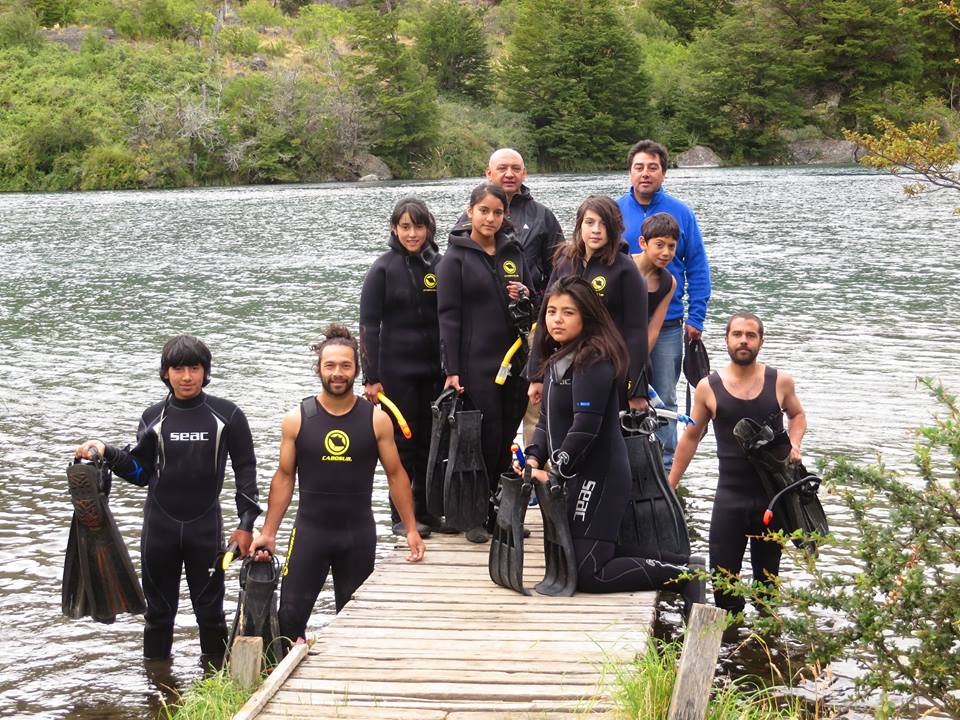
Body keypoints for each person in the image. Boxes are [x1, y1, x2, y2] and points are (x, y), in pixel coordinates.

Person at [74, 335, 260, 661]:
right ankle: (157, 694)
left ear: (205, 372)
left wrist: (245, 525)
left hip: (205, 529)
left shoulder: (227, 415)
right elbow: (141, 473)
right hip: (160, 530)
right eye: (178, 369)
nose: (186, 376)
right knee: (158, 617)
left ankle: (214, 689)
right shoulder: (154, 417)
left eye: (194, 368)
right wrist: (106, 451)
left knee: (211, 617)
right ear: (165, 373)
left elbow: (246, 472)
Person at [522, 277, 703, 607]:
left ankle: (684, 578)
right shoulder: (558, 359)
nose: (556, 320)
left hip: (599, 474)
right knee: (586, 555)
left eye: (567, 313)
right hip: (577, 471)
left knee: (590, 571)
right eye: (551, 312)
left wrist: (557, 468)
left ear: (586, 317)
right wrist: (533, 457)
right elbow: (547, 420)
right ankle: (683, 565)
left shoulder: (593, 359)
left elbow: (586, 426)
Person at [250, 325, 425, 643]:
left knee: (354, 625)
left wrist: (411, 528)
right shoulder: (297, 419)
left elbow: (396, 474)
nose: (337, 373)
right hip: (309, 534)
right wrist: (268, 533)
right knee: (288, 620)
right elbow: (284, 477)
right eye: (330, 365)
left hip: (357, 536)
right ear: (318, 368)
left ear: (357, 370)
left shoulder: (376, 419)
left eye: (345, 365)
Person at [668, 313, 806, 613]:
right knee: (723, 587)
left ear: (761, 342)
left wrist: (795, 444)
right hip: (730, 499)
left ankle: (766, 644)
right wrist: (670, 485)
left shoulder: (780, 381)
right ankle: (733, 648)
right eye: (737, 334)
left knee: (766, 592)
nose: (744, 340)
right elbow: (692, 436)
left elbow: (797, 415)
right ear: (726, 340)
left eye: (751, 335)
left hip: (773, 500)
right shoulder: (709, 387)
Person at [438, 182, 532, 543]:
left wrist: (525, 294)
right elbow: (448, 318)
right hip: (476, 364)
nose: (490, 218)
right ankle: (474, 514)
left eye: (497, 212)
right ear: (470, 211)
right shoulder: (454, 259)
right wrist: (452, 370)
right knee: (481, 439)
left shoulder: (513, 251)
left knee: (507, 434)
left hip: (514, 361)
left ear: (505, 215)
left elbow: (531, 303)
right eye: (484, 211)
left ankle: (500, 513)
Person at [617, 140, 712, 469]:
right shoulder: (614, 211)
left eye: (652, 167)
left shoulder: (681, 212)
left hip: (670, 322)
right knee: (621, 393)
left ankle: (666, 470)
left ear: (664, 172)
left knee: (665, 397)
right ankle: (627, 462)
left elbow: (698, 267)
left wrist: (696, 317)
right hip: (621, 323)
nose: (645, 174)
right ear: (629, 171)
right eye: (639, 167)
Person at [360, 197, 444, 537]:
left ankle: (426, 510)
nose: (412, 234)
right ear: (395, 229)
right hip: (396, 372)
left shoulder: (439, 264)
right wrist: (372, 377)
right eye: (405, 227)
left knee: (431, 443)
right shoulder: (382, 269)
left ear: (429, 229)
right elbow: (368, 327)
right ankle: (401, 514)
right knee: (402, 443)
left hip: (434, 371)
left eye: (419, 227)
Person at [528, 195, 648, 411]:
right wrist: (536, 375)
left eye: (604, 224)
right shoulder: (565, 262)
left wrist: (637, 390)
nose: (596, 230)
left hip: (606, 367)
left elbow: (637, 333)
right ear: (579, 225)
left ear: (615, 228)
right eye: (590, 222)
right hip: (564, 364)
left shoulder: (625, 269)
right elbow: (545, 317)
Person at [457, 148, 565, 298]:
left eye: (516, 169)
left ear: (524, 173)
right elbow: (455, 266)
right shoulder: (471, 217)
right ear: (489, 173)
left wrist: (540, 302)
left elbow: (559, 271)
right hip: (481, 305)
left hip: (529, 307)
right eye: (502, 168)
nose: (509, 174)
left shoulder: (542, 216)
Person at [633, 212, 678, 352]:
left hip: (637, 344)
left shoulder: (669, 283)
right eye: (659, 245)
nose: (666, 253)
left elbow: (653, 330)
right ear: (643, 243)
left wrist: (638, 362)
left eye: (671, 246)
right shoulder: (622, 265)